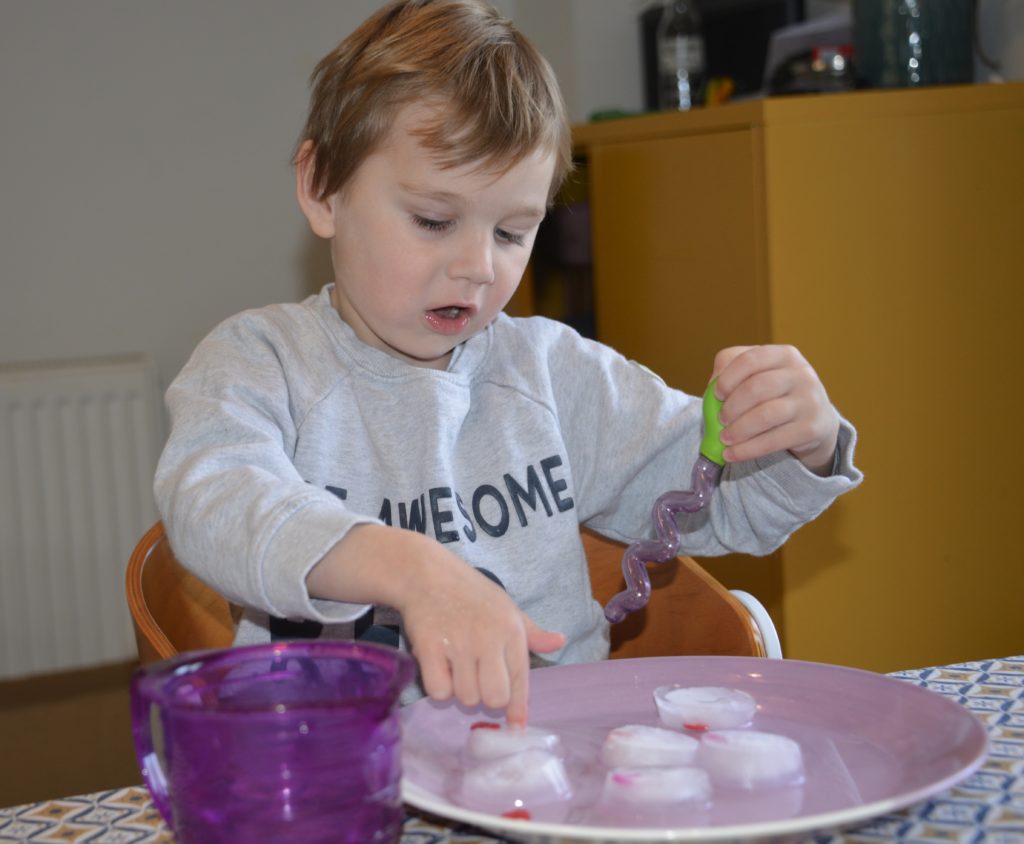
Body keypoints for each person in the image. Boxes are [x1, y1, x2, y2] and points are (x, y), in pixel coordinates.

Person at [154, 0, 862, 726]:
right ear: (322, 187)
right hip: (343, 773)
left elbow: (721, 501)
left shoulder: (554, 374)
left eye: (512, 231)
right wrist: (410, 569)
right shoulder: (261, 362)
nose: (476, 267)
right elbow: (212, 500)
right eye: (434, 220)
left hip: (547, 760)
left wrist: (801, 439)